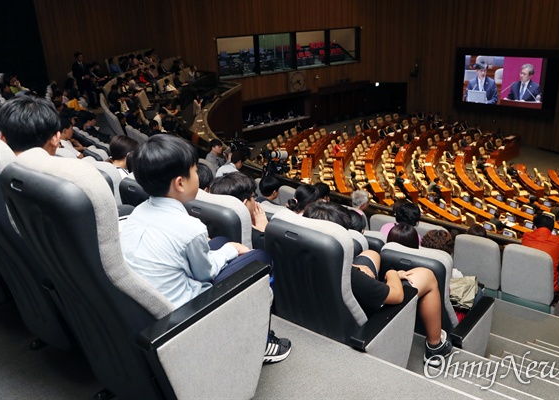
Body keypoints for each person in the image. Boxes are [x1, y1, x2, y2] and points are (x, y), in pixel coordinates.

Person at [120, 134, 291, 363]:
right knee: (261, 258)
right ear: (180, 183)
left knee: (219, 242)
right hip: (184, 314)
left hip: (149, 305)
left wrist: (225, 247)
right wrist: (231, 250)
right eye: (193, 170)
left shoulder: (138, 211)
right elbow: (206, 273)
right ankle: (262, 341)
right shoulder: (189, 227)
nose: (197, 176)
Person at [304, 202, 452, 367]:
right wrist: (392, 274)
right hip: (364, 327)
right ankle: (436, 346)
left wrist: (355, 267)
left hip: (322, 307)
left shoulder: (300, 258)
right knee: (428, 275)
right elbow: (397, 296)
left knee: (371, 254)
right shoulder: (353, 277)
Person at [521, 214, 559, 318]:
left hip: (524, 281)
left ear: (535, 227)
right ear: (551, 229)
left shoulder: (526, 236)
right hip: (547, 288)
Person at [210, 172, 269, 250]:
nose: (256, 202)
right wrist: (264, 232)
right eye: (253, 196)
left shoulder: (207, 224)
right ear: (244, 204)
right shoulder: (258, 238)